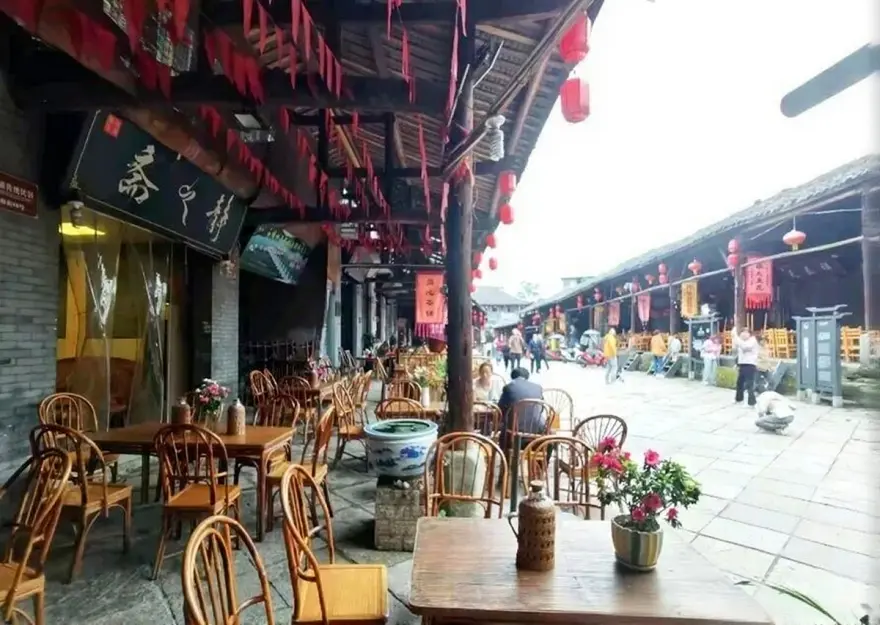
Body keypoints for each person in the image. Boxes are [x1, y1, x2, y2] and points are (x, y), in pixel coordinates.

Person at [497, 367, 544, 451]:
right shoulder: (538, 387)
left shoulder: (509, 387)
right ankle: (540, 462)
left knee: (504, 429)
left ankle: (506, 460)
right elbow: (542, 409)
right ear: (527, 377)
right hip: (537, 431)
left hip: (514, 431)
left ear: (513, 377)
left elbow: (500, 409)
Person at [733, 327, 759, 406]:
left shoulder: (752, 340)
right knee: (739, 383)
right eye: (742, 332)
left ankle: (752, 402)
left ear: (749, 334)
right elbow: (737, 351)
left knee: (749, 384)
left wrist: (736, 337)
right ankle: (739, 399)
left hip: (750, 364)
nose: (743, 334)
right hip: (742, 364)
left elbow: (745, 347)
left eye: (746, 332)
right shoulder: (742, 341)